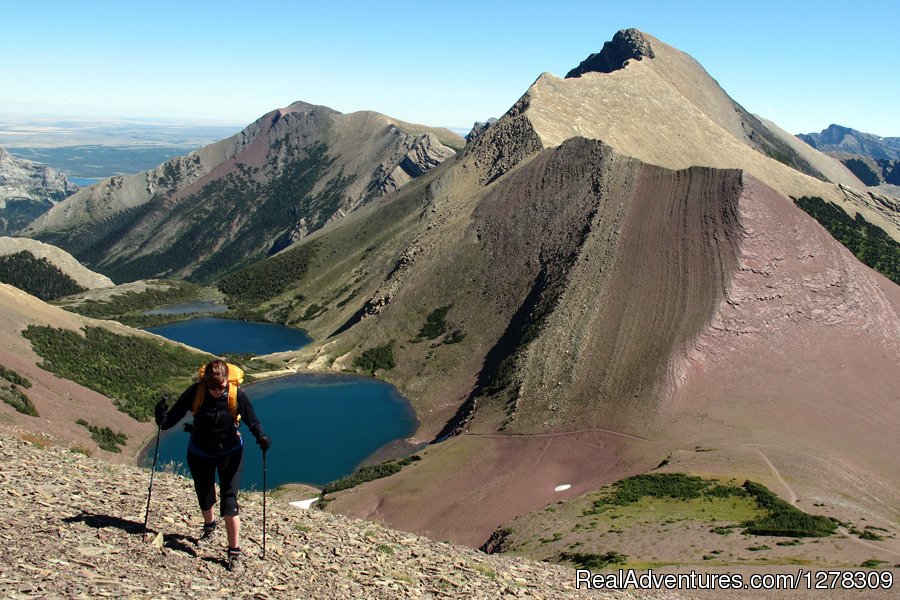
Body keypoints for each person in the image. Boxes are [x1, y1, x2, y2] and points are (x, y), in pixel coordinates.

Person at [155, 359, 271, 572]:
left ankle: (234, 552)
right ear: (206, 382)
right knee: (205, 493)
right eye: (212, 387)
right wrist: (161, 414)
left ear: (227, 380)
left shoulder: (236, 394)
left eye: (221, 386)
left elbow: (252, 420)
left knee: (229, 502)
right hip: (200, 452)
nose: (217, 391)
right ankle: (210, 528)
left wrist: (261, 436)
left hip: (230, 452)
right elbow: (169, 421)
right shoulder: (196, 392)